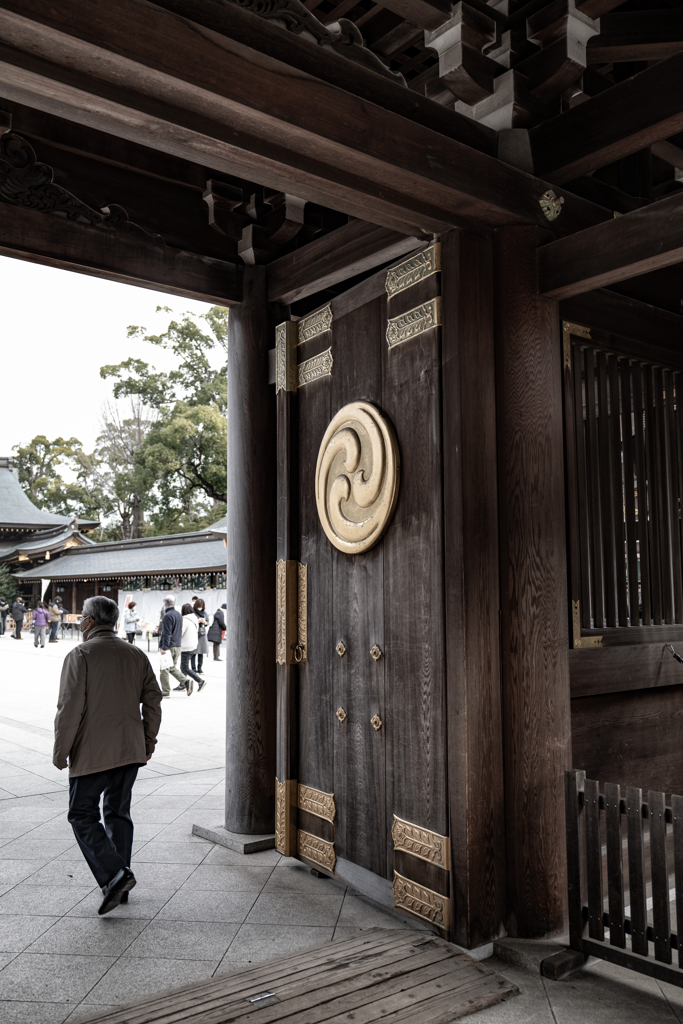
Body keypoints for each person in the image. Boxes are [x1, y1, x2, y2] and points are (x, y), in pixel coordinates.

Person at [53, 595, 162, 916]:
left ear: (88, 621)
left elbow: (68, 709)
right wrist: (148, 740)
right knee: (117, 812)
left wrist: (61, 751)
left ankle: (116, 875)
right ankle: (119, 883)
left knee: (81, 814)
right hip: (130, 748)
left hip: (93, 751)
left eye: (82, 618)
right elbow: (153, 700)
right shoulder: (136, 654)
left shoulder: (81, 654)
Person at [158, 596, 188, 698]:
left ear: (165, 604)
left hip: (169, 646)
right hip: (177, 645)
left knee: (164, 670)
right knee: (171, 668)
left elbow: (167, 633)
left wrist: (164, 647)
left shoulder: (167, 616)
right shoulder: (179, 615)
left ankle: (165, 692)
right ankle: (186, 681)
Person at [178, 603, 204, 695]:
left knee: (184, 667)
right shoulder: (194, 618)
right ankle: (182, 684)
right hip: (193, 645)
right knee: (183, 666)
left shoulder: (185, 620)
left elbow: (180, 633)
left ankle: (200, 681)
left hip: (186, 646)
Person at [191, 597, 209, 676]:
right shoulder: (192, 612)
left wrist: (204, 622)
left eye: (201, 606)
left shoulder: (205, 613)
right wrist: (198, 620)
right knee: (193, 652)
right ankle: (193, 669)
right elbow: (190, 621)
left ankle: (200, 668)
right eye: (199, 605)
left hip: (202, 634)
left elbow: (208, 622)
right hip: (194, 633)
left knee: (201, 652)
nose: (200, 607)